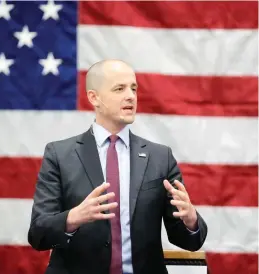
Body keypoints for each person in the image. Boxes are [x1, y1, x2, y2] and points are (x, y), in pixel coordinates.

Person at [28, 59, 208, 274]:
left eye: (133, 88)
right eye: (119, 89)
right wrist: (73, 218)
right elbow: (38, 235)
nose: (131, 96)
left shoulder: (160, 157)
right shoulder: (60, 155)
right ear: (94, 97)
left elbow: (189, 241)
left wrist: (190, 221)